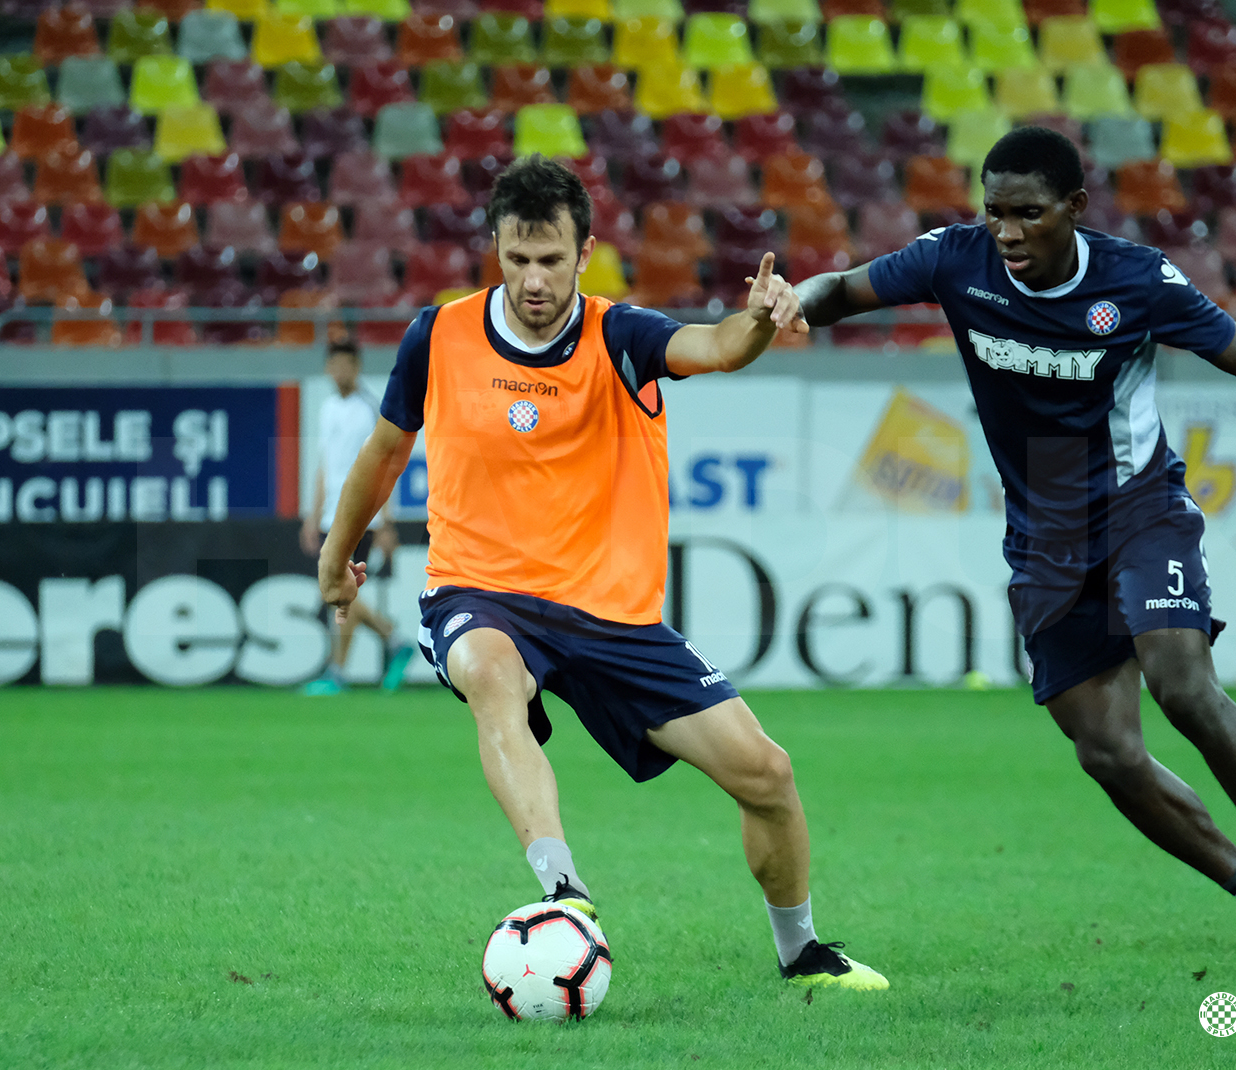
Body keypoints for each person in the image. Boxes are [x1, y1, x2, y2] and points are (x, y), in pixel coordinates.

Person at [795, 126, 1236, 983]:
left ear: (1075, 208)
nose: (1009, 232)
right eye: (995, 214)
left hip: (1140, 507)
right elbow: (840, 289)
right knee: (1105, 752)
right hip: (1044, 534)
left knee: (1181, 682)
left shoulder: (1136, 282)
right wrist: (785, 304)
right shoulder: (956, 260)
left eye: (1028, 213)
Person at [316, 155, 888, 991]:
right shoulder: (436, 336)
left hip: (610, 615)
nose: (533, 279)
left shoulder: (623, 336)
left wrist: (759, 321)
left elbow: (717, 346)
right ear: (497, 249)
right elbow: (384, 450)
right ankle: (562, 890)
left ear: (585, 253)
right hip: (480, 589)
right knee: (488, 672)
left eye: (551, 260)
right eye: (517, 259)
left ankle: (801, 951)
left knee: (767, 775)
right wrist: (337, 556)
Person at [301, 340, 414, 695]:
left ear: (357, 368)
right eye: (334, 365)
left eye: (347, 365)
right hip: (330, 512)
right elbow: (325, 465)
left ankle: (338, 671)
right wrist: (312, 513)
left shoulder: (369, 409)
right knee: (338, 589)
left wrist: (387, 522)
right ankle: (393, 641)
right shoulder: (329, 407)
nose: (340, 371)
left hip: (360, 512)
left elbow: (384, 466)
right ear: (327, 369)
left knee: (340, 588)